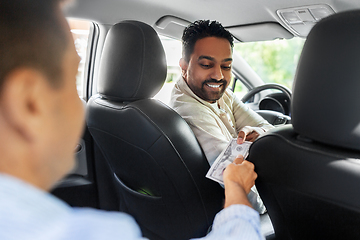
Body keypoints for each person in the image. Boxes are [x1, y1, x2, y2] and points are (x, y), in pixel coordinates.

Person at [0, 1, 263, 239]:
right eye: (71, 80)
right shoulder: (87, 233)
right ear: (29, 102)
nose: (81, 103)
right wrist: (236, 187)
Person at [169, 20, 273, 214]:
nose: (218, 76)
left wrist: (259, 131)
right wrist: (270, 208)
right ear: (184, 66)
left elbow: (268, 128)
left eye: (226, 66)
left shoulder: (222, 95)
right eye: (207, 64)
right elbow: (233, 181)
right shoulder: (190, 111)